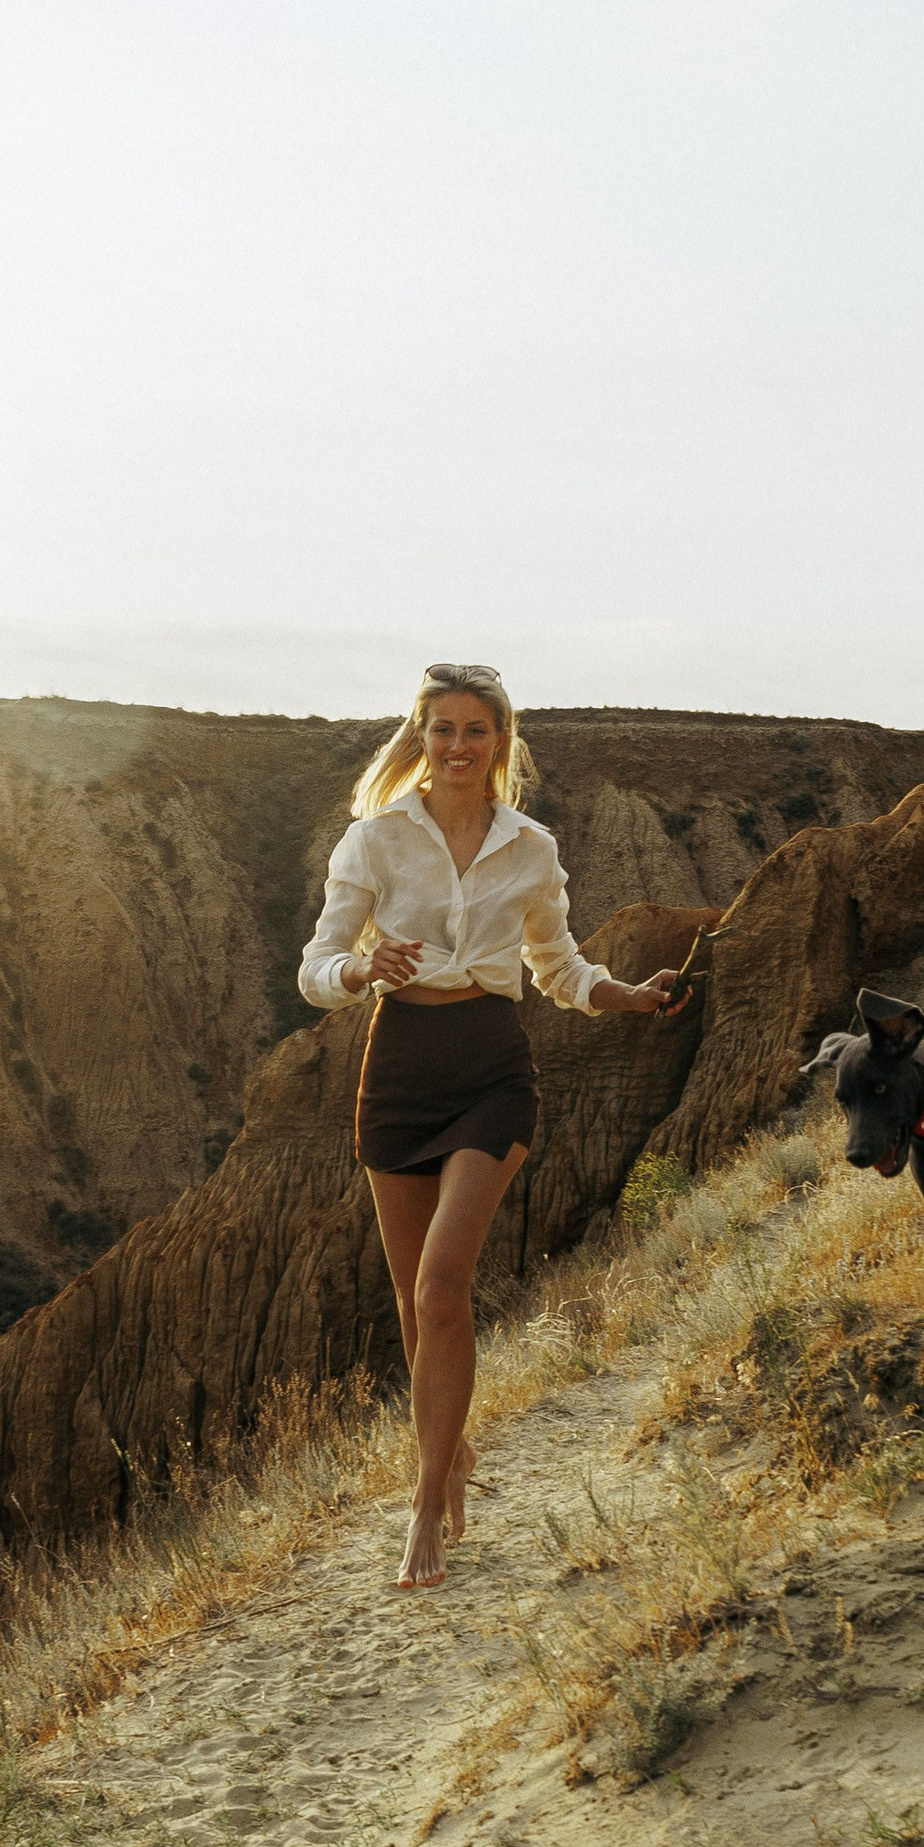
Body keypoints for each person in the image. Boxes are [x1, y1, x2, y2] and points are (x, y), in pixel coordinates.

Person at [298, 664, 677, 1589]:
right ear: (419, 738)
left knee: (440, 1286)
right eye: (442, 730)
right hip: (399, 1067)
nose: (458, 746)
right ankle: (449, 1450)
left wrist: (616, 992)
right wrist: (360, 969)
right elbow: (315, 964)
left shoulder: (531, 848)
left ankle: (427, 1507)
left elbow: (557, 962)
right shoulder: (376, 840)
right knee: (409, 1302)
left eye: (476, 730)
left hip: (491, 1068)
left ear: (501, 742)